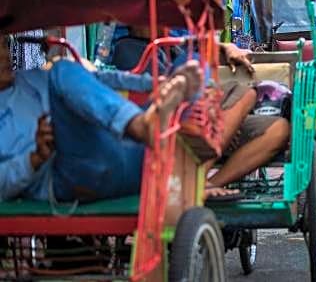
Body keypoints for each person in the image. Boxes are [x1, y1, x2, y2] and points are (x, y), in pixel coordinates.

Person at [0, 35, 201, 202]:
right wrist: (34, 159)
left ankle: (151, 130)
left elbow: (99, 80)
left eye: (3, 45)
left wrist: (158, 84)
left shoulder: (31, 77)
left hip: (128, 152)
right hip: (75, 175)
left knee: (194, 63)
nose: (4, 55)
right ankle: (142, 126)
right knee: (62, 70)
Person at [111, 30, 290, 200]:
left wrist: (223, 47)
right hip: (177, 127)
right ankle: (196, 179)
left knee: (279, 129)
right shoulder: (128, 48)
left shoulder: (179, 42)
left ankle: (207, 184)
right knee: (245, 93)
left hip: (210, 121)